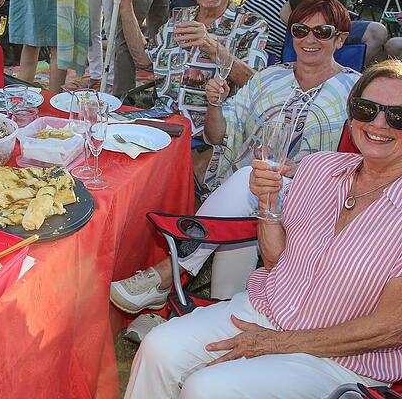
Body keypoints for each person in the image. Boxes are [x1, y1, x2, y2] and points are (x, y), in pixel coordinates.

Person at [125, 58, 402, 398]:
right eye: (366, 108)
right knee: (158, 348)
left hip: (339, 356)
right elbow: (276, 262)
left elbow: (390, 328)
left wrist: (278, 343)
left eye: (396, 116)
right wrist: (267, 204)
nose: (378, 123)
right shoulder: (319, 169)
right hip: (264, 309)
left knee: (208, 389)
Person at [111, 0, 359, 320]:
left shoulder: (355, 90)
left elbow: (361, 160)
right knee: (246, 199)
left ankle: (169, 271)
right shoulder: (268, 79)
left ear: (340, 39)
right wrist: (214, 104)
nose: (310, 40)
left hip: (313, 197)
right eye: (301, 30)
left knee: (247, 182)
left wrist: (303, 169)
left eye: (322, 32)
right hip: (249, 196)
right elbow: (218, 137)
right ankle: (214, 322)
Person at [116, 0, 268, 136]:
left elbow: (257, 84)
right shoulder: (178, 18)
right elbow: (144, 60)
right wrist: (126, 8)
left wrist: (210, 46)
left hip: (212, 134)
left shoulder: (250, 25)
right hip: (164, 121)